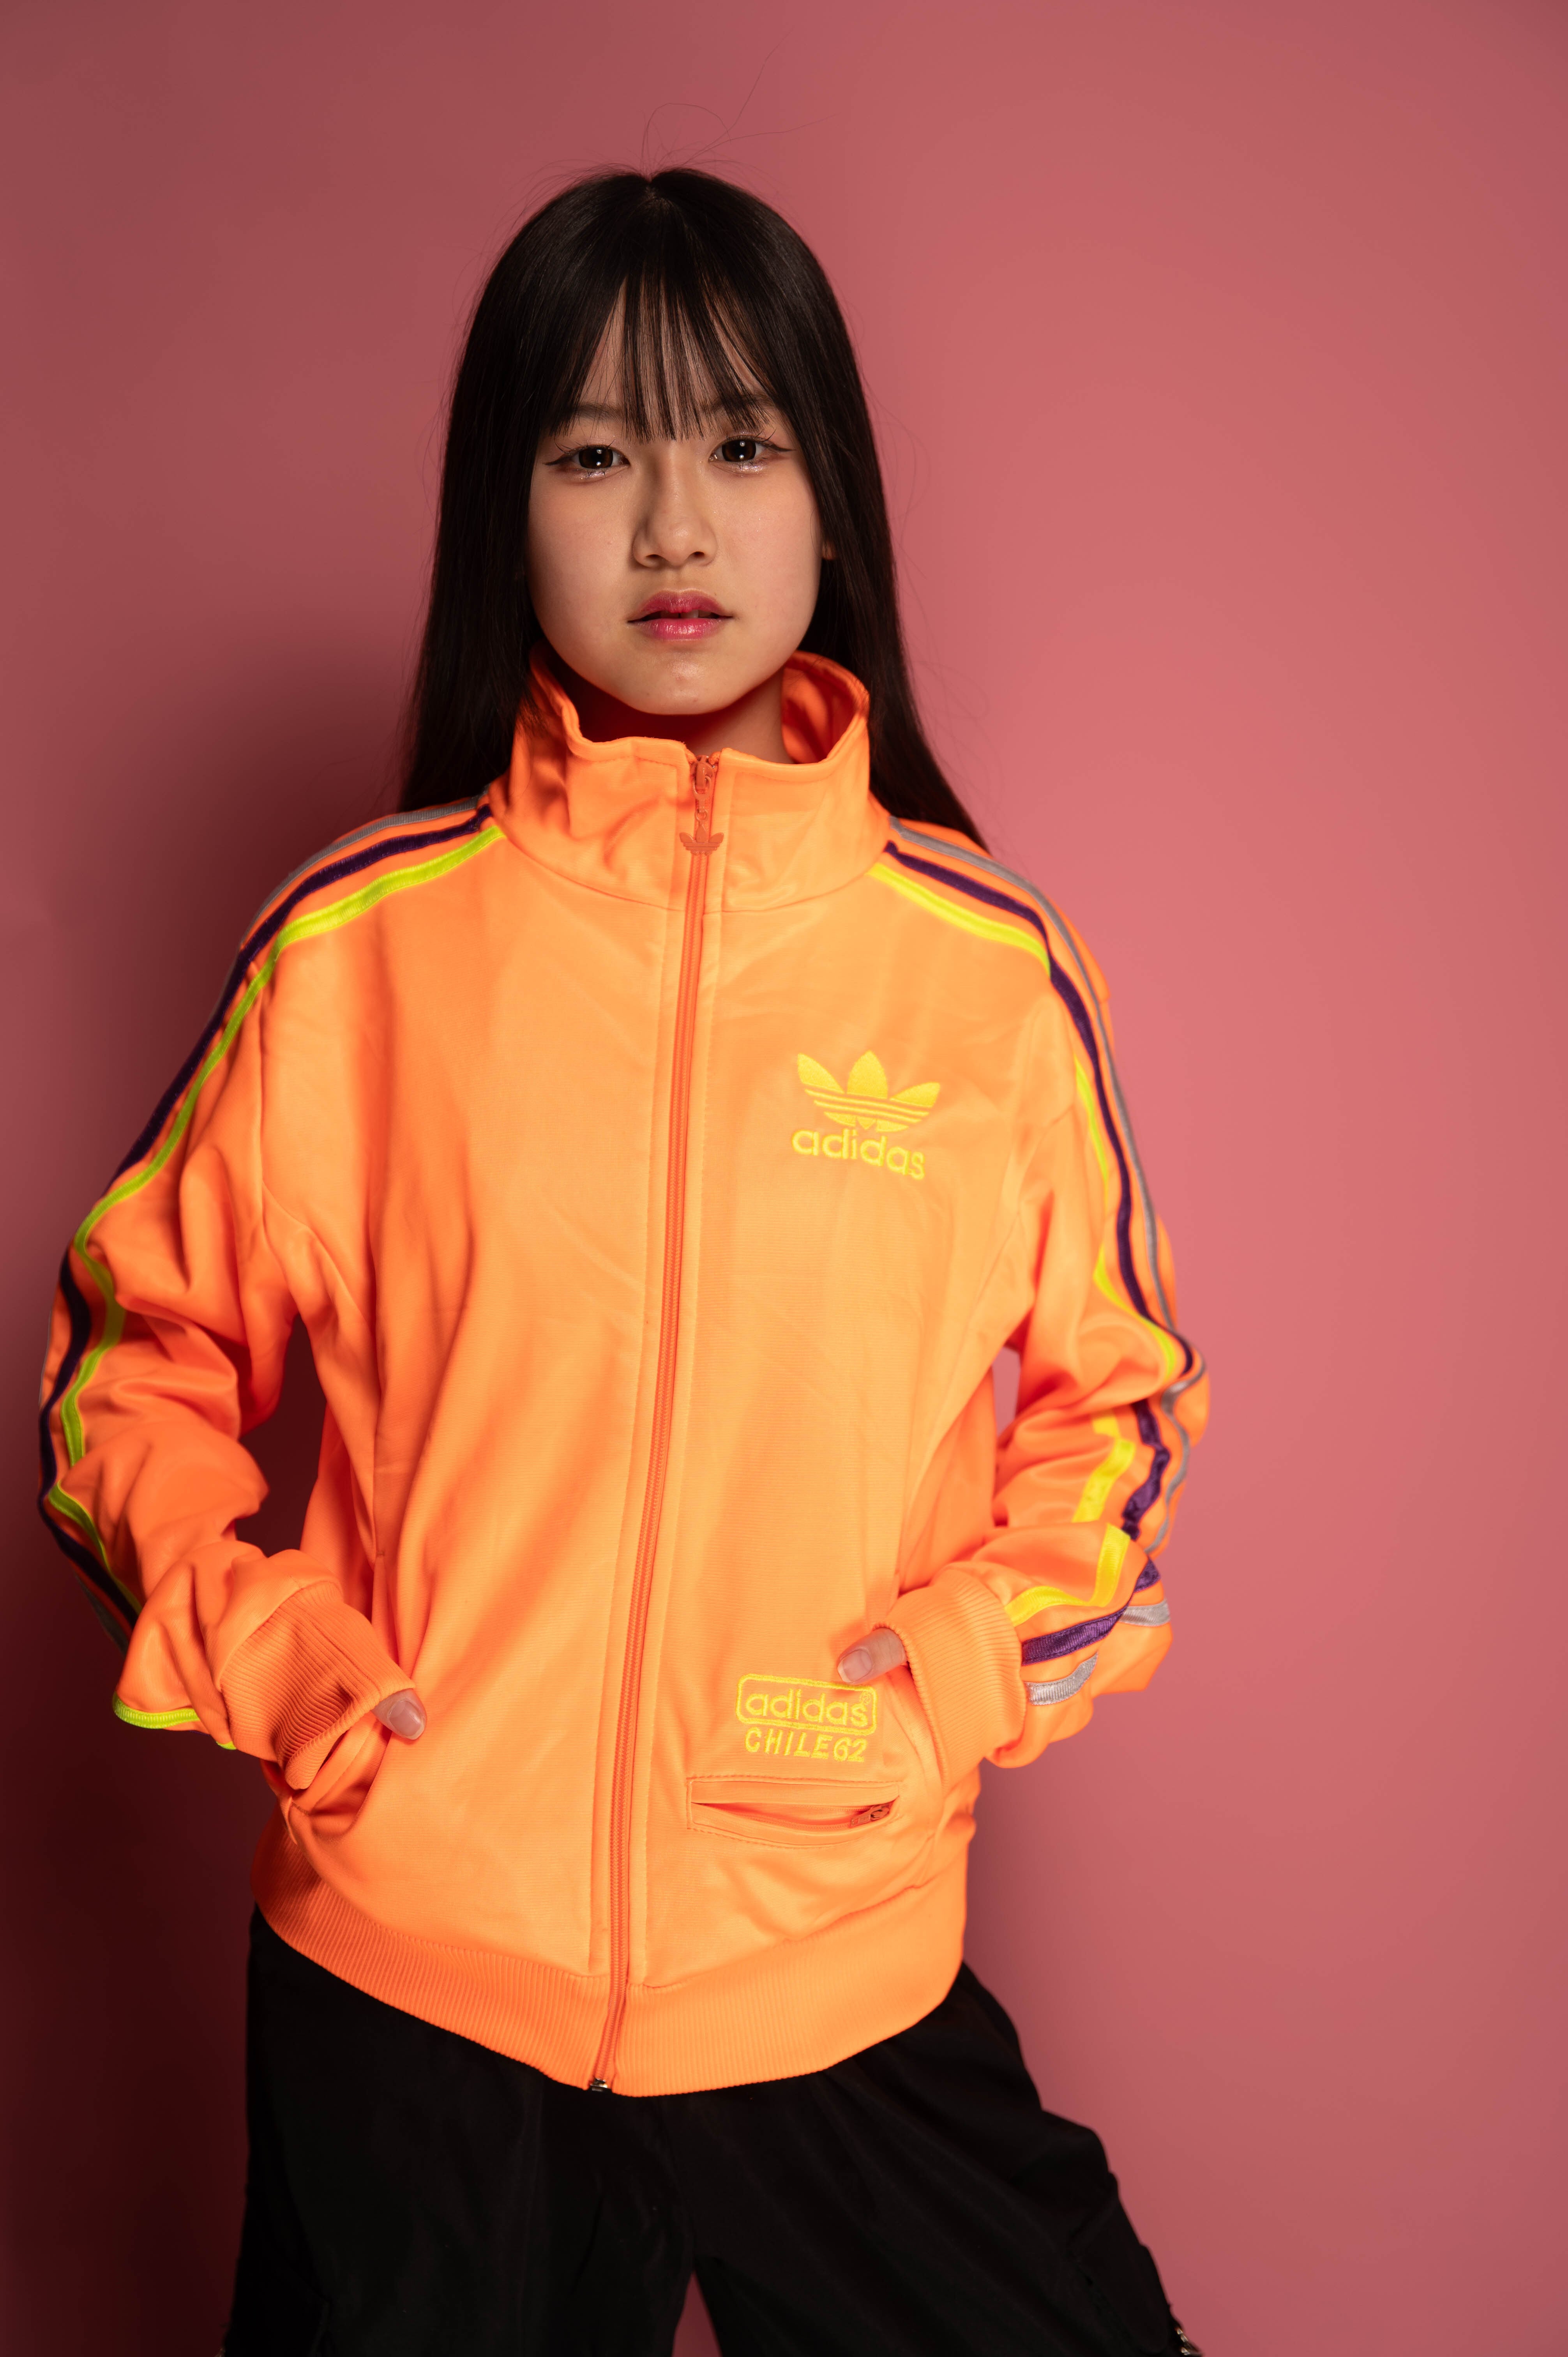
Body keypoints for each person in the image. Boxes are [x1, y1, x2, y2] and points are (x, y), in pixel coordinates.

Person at [38, 169, 1209, 2357]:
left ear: (832, 499)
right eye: (595, 454)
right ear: (508, 511)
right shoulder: (357, 953)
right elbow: (132, 1365)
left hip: (827, 1933)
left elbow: (1117, 1418)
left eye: (740, 444)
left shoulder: (987, 976)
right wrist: (276, 1659)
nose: (676, 525)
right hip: (413, 1974)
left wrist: (952, 1678)